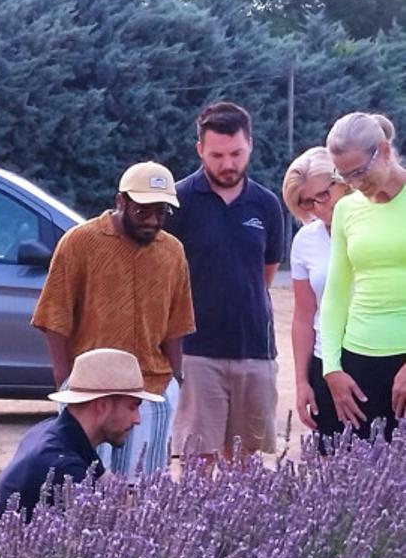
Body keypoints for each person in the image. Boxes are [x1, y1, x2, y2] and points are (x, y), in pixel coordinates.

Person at [30, 161, 195, 480]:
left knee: (145, 491)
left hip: (152, 391)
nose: (152, 220)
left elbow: (178, 323)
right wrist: (65, 381)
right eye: (142, 211)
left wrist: (176, 380)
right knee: (86, 486)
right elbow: (53, 316)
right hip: (93, 393)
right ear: (121, 201)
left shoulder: (173, 252)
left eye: (161, 212)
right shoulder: (80, 242)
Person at [165, 102, 284, 459]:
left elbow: (264, 274)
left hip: (255, 353)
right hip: (197, 353)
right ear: (200, 149)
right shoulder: (178, 202)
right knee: (197, 463)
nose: (228, 164)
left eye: (237, 153)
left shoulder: (266, 205)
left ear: (250, 145)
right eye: (217, 155)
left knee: (246, 465)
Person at [0, 348, 163, 520]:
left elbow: (113, 489)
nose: (137, 419)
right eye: (132, 407)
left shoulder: (55, 431)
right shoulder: (64, 468)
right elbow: (121, 523)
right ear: (102, 406)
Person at [321, 112, 406, 442]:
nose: (354, 183)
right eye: (344, 177)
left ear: (383, 151)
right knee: (361, 482)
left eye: (359, 172)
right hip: (359, 363)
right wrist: (331, 367)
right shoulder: (346, 209)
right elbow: (337, 291)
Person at [281, 147, 350, 441]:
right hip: (326, 360)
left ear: (342, 181)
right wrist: (301, 381)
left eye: (324, 194)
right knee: (330, 466)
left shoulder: (379, 226)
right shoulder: (306, 240)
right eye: (308, 202)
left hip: (382, 353)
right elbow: (303, 317)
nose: (320, 207)